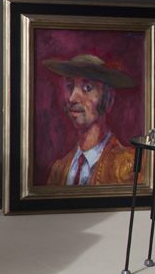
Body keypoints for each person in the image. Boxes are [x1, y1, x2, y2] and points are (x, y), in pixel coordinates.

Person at [42, 53, 137, 186]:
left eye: (87, 88)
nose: (72, 98)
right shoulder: (59, 169)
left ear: (108, 99)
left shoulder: (128, 165)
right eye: (70, 86)